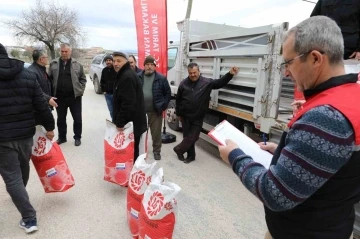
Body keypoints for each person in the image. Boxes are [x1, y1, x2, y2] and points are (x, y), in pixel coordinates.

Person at [218, 16, 360, 239]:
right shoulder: (352, 98)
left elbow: (274, 194)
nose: (285, 73)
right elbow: (334, 164)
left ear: (315, 59)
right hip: (334, 225)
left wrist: (235, 156)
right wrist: (287, 153)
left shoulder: (325, 117)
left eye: (288, 63)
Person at [0, 43, 55, 233]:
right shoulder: (27, 74)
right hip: (25, 134)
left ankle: (29, 218)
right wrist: (50, 127)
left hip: (3, 139)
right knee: (22, 169)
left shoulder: (28, 74)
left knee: (13, 178)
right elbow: (41, 104)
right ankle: (19, 194)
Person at [174, 62, 239, 164]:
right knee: (187, 136)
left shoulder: (206, 82)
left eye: (194, 72)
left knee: (193, 137)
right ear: (188, 72)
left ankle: (179, 149)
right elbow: (178, 100)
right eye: (190, 73)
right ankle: (191, 156)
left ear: (199, 71)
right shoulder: (183, 84)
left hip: (198, 116)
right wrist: (178, 114)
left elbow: (219, 83)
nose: (192, 75)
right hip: (185, 115)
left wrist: (230, 73)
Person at [49, 43, 87, 146]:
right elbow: (49, 79)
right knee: (61, 119)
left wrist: (80, 90)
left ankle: (77, 137)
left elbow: (83, 79)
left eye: (66, 51)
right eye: (62, 51)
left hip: (74, 97)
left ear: (70, 51)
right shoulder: (54, 64)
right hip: (59, 97)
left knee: (77, 119)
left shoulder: (77, 64)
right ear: (60, 51)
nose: (64, 53)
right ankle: (62, 137)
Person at [112, 51, 147, 161]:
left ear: (126, 62)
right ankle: (130, 170)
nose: (115, 63)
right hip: (132, 122)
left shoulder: (127, 76)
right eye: (114, 61)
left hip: (131, 123)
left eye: (119, 61)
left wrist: (120, 122)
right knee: (131, 149)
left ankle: (132, 172)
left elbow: (128, 103)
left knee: (131, 150)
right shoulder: (124, 74)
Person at [138, 55, 171, 160]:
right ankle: (141, 151)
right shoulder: (138, 77)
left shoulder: (161, 78)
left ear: (155, 66)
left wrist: (163, 106)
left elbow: (168, 93)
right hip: (141, 112)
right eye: (147, 64)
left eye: (152, 64)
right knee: (141, 133)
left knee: (156, 134)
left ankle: (157, 151)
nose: (149, 67)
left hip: (155, 112)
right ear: (144, 66)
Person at [28, 49, 57, 125]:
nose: (48, 59)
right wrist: (48, 99)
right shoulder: (32, 72)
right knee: (42, 132)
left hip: (44, 106)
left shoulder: (41, 69)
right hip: (38, 110)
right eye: (47, 57)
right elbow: (35, 90)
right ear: (41, 59)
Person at [100, 54, 116, 121]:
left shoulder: (116, 70)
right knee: (111, 111)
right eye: (106, 60)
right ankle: (114, 123)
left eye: (109, 60)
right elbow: (102, 81)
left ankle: (119, 124)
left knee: (117, 110)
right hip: (108, 95)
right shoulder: (104, 70)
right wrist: (104, 90)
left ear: (112, 61)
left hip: (115, 95)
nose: (108, 62)